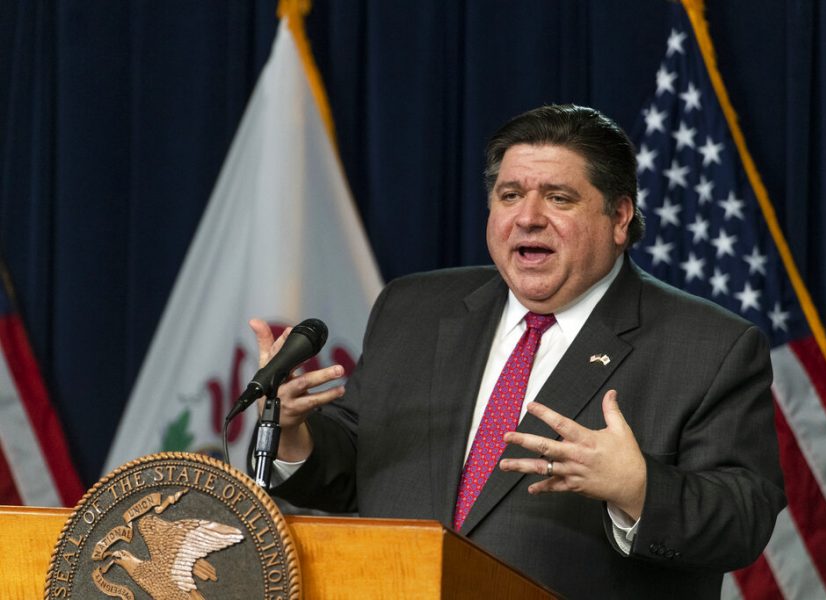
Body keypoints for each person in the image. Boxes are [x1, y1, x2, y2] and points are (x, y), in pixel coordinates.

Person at [249, 104, 785, 599]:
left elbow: (745, 519)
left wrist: (640, 489)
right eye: (510, 195)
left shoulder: (709, 346)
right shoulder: (412, 308)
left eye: (559, 197)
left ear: (620, 218)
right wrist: (297, 436)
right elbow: (362, 469)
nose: (527, 217)